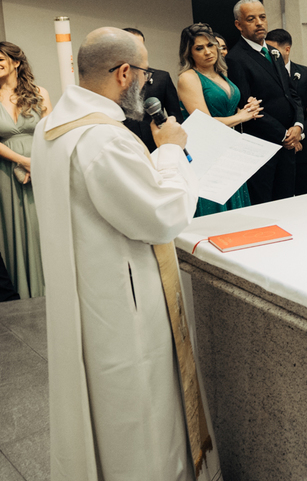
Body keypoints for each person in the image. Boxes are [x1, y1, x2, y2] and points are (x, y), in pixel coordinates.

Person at [33, 27, 208, 481]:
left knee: (106, 407)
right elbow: (162, 214)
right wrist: (169, 153)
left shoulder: (52, 125)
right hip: (122, 303)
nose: (147, 83)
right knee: (143, 417)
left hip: (87, 291)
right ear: (125, 72)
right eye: (145, 73)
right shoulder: (103, 139)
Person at [224, 0, 303, 204]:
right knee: (266, 203)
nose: (259, 23)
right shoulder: (236, 58)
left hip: (289, 139)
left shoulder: (274, 53)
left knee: (287, 199)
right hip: (262, 143)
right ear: (238, 25)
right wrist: (284, 134)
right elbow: (249, 108)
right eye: (251, 19)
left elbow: (291, 94)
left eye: (262, 17)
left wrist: (298, 126)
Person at [176, 24, 260, 215]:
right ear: (189, 54)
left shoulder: (221, 73)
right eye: (199, 48)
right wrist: (240, 117)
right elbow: (203, 122)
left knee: (234, 201)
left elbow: (228, 108)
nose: (207, 52)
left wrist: (247, 108)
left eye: (210, 45)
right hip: (206, 150)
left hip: (229, 145)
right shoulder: (188, 77)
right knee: (214, 205)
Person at [0, 42, 51, 299]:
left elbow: (50, 131)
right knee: (13, 227)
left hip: (40, 167)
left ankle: (48, 288)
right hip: (6, 172)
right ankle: (20, 293)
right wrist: (22, 160)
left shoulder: (39, 93)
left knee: (41, 225)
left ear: (16, 62)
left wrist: (37, 162)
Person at [265, 29, 307, 195]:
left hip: (304, 147)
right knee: (281, 197)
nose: (269, 54)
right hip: (277, 145)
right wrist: (288, 137)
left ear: (287, 49)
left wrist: (299, 135)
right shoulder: (265, 74)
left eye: (273, 50)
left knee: (306, 193)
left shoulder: (306, 73)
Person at [121, 27, 184, 155]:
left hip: (158, 144)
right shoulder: (116, 81)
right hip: (127, 145)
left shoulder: (161, 77)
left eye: (140, 47)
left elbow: (175, 115)